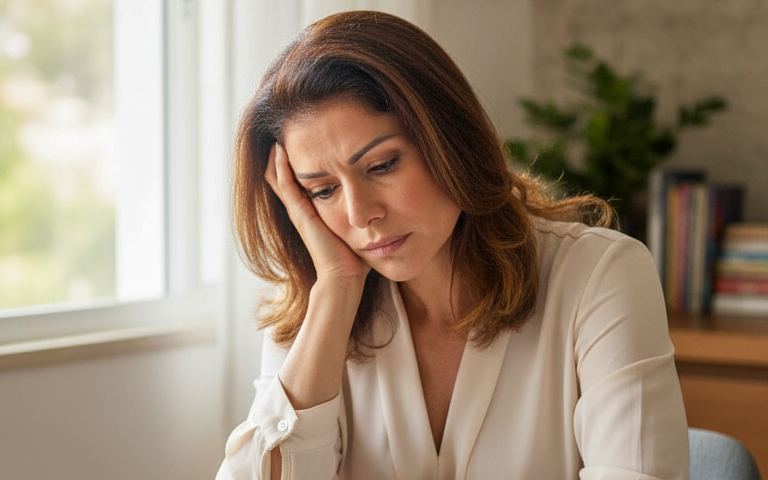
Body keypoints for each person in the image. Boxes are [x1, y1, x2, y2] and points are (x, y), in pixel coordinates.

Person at [217, 10, 689, 480]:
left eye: (382, 165)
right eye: (323, 190)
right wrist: (337, 288)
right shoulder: (313, 306)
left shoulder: (600, 275)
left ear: (450, 139)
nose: (360, 214)